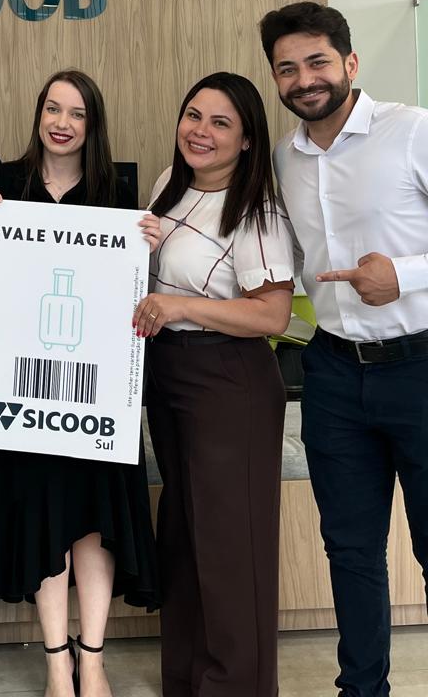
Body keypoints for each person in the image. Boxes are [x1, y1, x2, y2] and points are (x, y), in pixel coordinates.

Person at [260, 1, 428, 697]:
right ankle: (362, 690)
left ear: (350, 63)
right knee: (351, 552)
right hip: (332, 373)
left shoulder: (412, 131)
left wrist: (404, 276)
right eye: (287, 68)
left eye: (318, 61)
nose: (305, 79)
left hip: (419, 367)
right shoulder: (283, 158)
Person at [0, 70, 159, 697]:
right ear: (38, 114)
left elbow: (134, 288)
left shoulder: (117, 192)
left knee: (93, 524)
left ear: (92, 124)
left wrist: (151, 244)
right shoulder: (5, 185)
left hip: (99, 392)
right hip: (24, 394)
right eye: (52, 108)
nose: (62, 122)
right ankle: (57, 661)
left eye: (77, 113)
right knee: (44, 521)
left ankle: (94, 657)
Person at [133, 73, 294, 697]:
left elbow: (272, 316)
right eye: (193, 115)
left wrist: (179, 307)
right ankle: (187, 681)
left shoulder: (256, 209)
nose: (200, 132)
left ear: (247, 140)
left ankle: (237, 687)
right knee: (185, 534)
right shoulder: (166, 188)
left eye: (221, 123)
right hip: (169, 374)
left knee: (231, 547)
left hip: (229, 382)